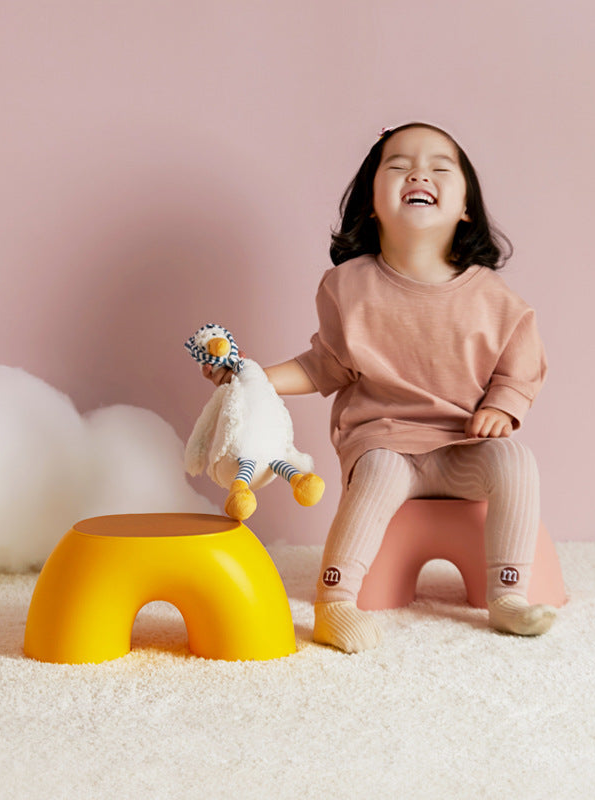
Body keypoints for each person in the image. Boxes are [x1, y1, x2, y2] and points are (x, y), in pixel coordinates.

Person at [205, 122, 557, 652]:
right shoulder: (349, 286)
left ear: (466, 208)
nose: (420, 172)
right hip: (383, 440)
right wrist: (251, 377)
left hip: (463, 444)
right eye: (398, 165)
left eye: (441, 167)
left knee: (516, 461)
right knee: (380, 472)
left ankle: (507, 595)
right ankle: (335, 602)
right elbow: (326, 365)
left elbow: (520, 368)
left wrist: (501, 409)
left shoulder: (493, 297)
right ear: (372, 202)